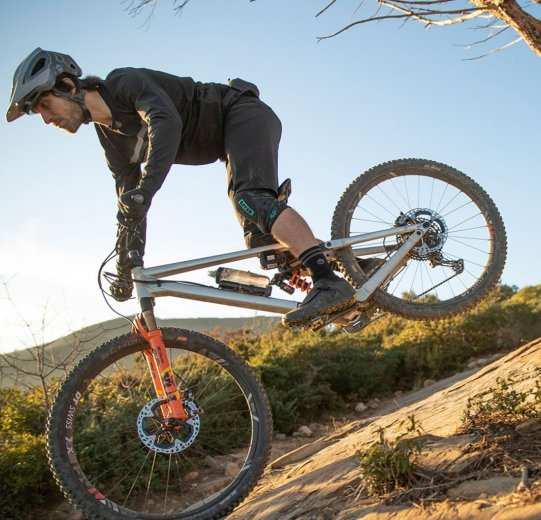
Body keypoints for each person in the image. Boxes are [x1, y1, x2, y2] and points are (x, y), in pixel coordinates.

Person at [6, 48, 357, 327]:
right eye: (39, 115)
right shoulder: (111, 140)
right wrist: (130, 262)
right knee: (263, 245)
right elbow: (129, 205)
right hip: (225, 143)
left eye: (45, 106)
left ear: (68, 86)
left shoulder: (123, 84)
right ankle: (349, 278)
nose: (47, 119)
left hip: (240, 112)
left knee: (250, 199)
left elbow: (166, 122)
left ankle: (328, 281)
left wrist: (146, 189)